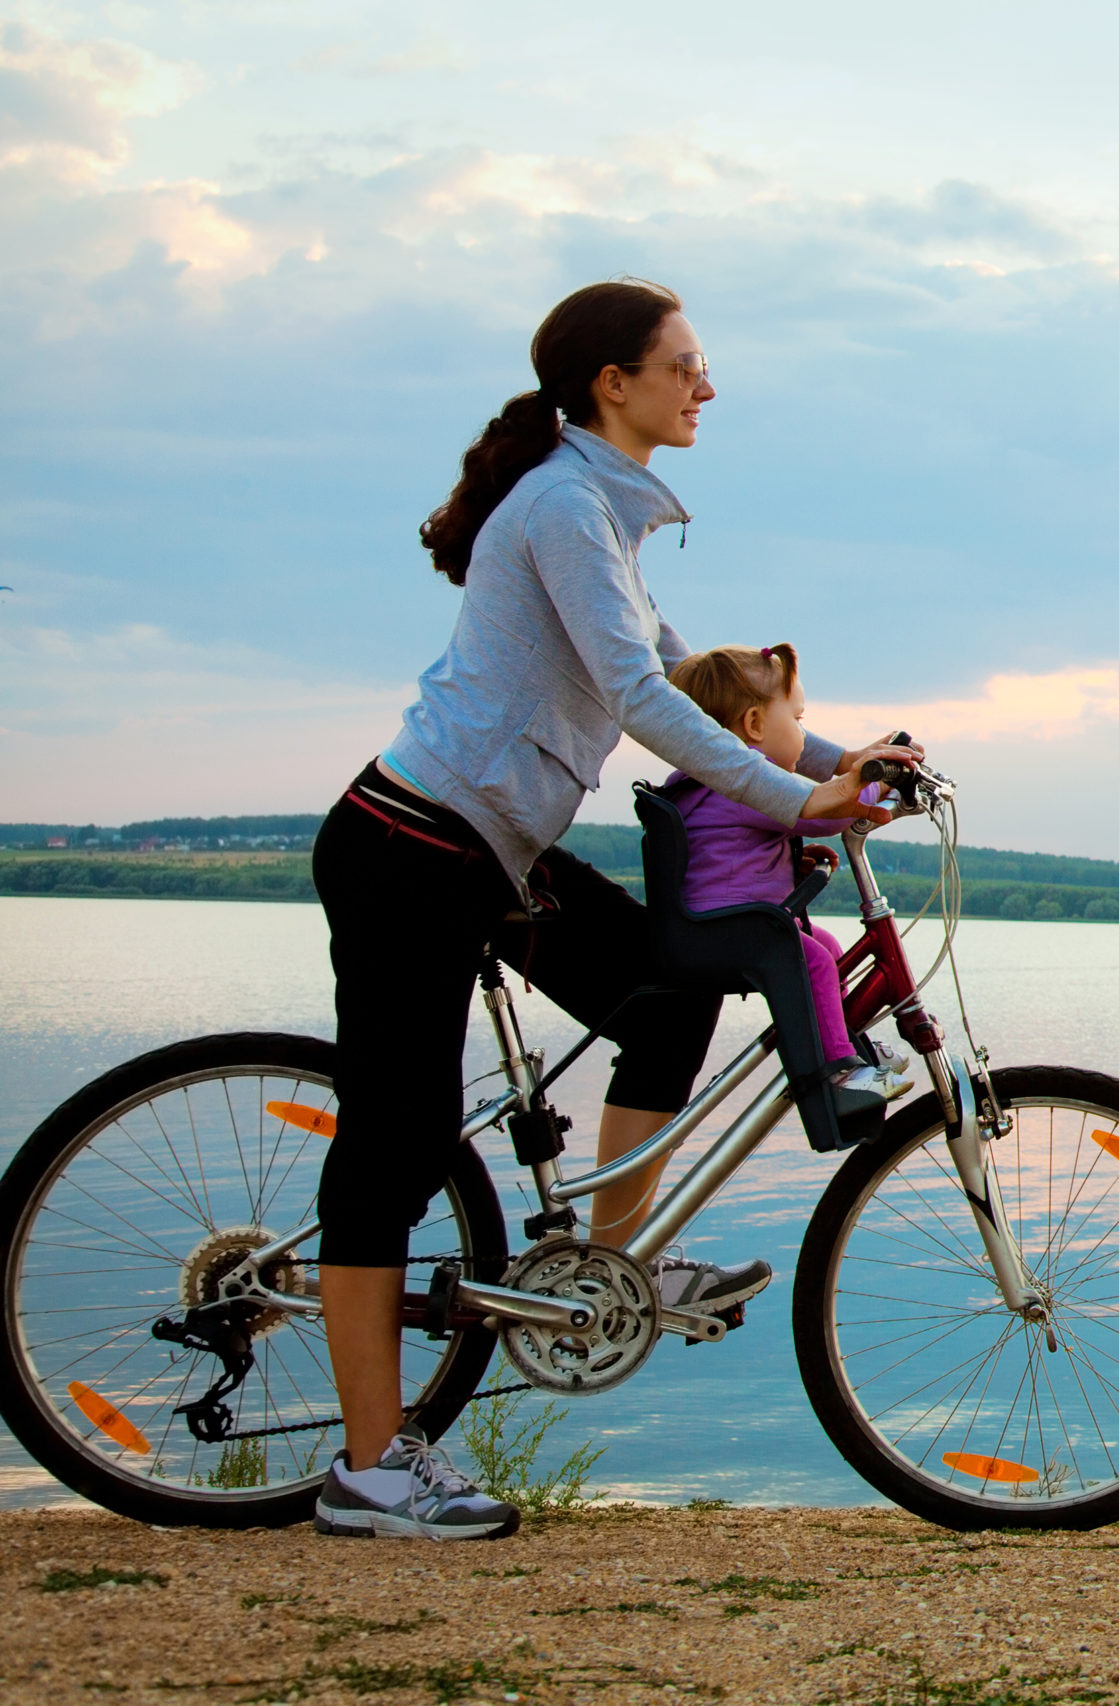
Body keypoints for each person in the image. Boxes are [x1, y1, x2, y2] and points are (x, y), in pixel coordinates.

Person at [310, 279, 920, 1541]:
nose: (706, 384)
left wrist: (850, 764)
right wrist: (796, 808)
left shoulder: (604, 518)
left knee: (668, 984)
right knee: (397, 1138)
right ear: (614, 385)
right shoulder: (563, 506)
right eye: (687, 364)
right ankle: (369, 1466)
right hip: (410, 845)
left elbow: (703, 689)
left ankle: (613, 1262)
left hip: (488, 850)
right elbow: (642, 697)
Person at [661, 641, 911, 1093]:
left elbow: (735, 848)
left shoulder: (709, 784)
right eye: (798, 721)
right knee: (811, 958)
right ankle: (839, 1073)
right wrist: (878, 784)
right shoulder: (743, 782)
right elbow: (821, 813)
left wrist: (788, 854)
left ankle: (847, 1045)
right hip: (726, 928)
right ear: (754, 725)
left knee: (826, 945)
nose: (802, 733)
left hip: (726, 923)